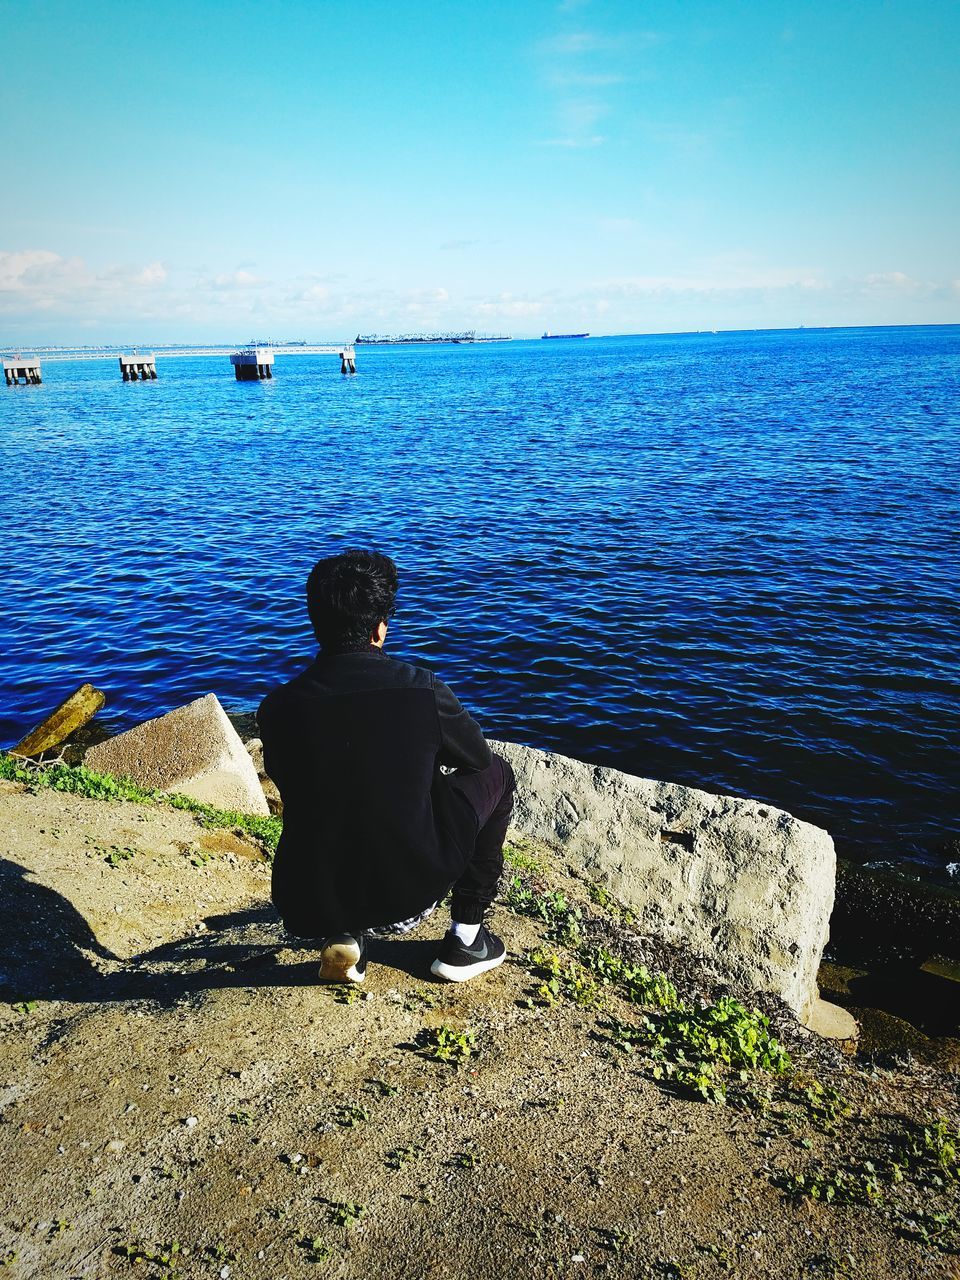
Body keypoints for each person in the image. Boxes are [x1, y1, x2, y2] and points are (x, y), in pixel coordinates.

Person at [257, 549, 515, 985]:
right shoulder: (422, 691)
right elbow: (477, 759)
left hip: (308, 896)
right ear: (381, 627)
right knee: (499, 774)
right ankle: (466, 939)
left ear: (315, 623)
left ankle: (347, 933)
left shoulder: (278, 708)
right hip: (408, 892)